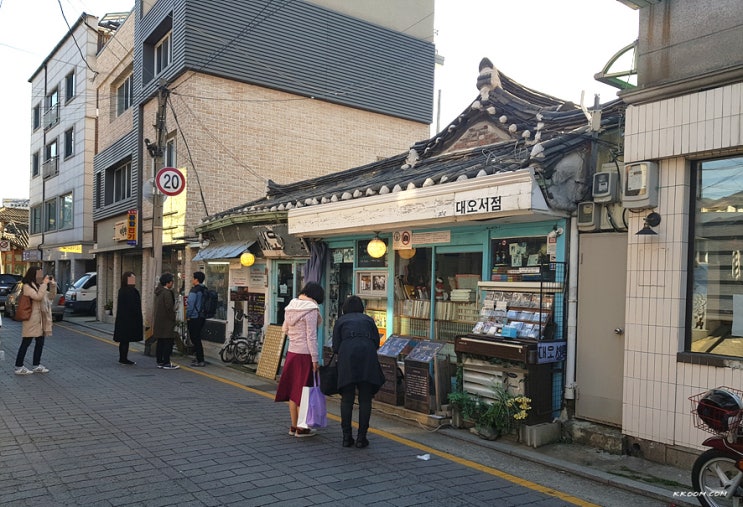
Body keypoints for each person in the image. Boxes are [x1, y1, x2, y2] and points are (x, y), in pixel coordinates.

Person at [332, 295, 386, 448]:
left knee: (347, 399)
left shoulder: (341, 321)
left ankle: (346, 437)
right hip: (367, 357)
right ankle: (362, 438)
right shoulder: (368, 320)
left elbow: (336, 347)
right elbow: (376, 342)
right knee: (365, 399)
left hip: (347, 358)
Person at [274, 281, 324, 438]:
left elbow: (285, 329)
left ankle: (294, 426)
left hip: (292, 353)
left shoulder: (291, 306)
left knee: (294, 390)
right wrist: (315, 359)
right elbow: (311, 336)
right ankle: (302, 428)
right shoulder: (311, 309)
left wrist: (295, 338)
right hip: (305, 355)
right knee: (304, 391)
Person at [14, 267, 56, 375]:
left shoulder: (38, 286)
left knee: (40, 342)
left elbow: (50, 297)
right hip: (31, 320)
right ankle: (19, 366)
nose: (41, 276)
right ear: (33, 275)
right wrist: (44, 284)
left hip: (40, 319)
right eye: (39, 274)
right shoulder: (27, 286)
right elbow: (38, 297)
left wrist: (52, 284)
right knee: (26, 342)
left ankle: (36, 364)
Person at [113, 271, 143, 365]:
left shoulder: (122, 290)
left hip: (122, 319)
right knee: (125, 340)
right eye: (132, 278)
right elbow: (134, 306)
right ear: (127, 279)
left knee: (123, 340)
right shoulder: (131, 291)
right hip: (129, 320)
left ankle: (122, 358)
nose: (134, 280)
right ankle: (123, 359)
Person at [153, 272, 179, 370]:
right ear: (168, 283)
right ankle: (166, 362)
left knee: (160, 341)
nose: (172, 283)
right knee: (168, 342)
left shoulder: (159, 292)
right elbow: (169, 307)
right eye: (172, 281)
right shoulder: (167, 293)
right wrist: (173, 317)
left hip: (159, 321)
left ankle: (159, 361)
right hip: (166, 322)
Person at [186, 271, 207, 367]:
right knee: (197, 337)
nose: (192, 280)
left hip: (194, 317)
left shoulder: (194, 290)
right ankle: (198, 358)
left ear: (196, 279)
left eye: (193, 278)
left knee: (195, 338)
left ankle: (200, 360)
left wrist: (188, 315)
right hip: (202, 316)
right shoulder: (204, 289)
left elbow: (190, 304)